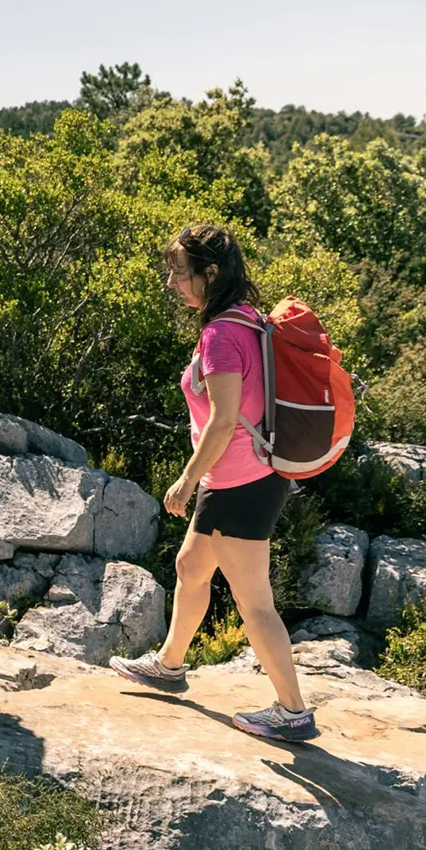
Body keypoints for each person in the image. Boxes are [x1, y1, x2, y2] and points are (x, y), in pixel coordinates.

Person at [110, 224, 318, 742]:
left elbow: (224, 420)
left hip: (240, 482)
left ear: (211, 272)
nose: (172, 282)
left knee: (254, 601)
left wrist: (186, 480)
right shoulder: (246, 320)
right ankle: (170, 665)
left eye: (180, 272)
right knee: (190, 565)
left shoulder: (222, 334)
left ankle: (293, 711)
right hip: (242, 477)